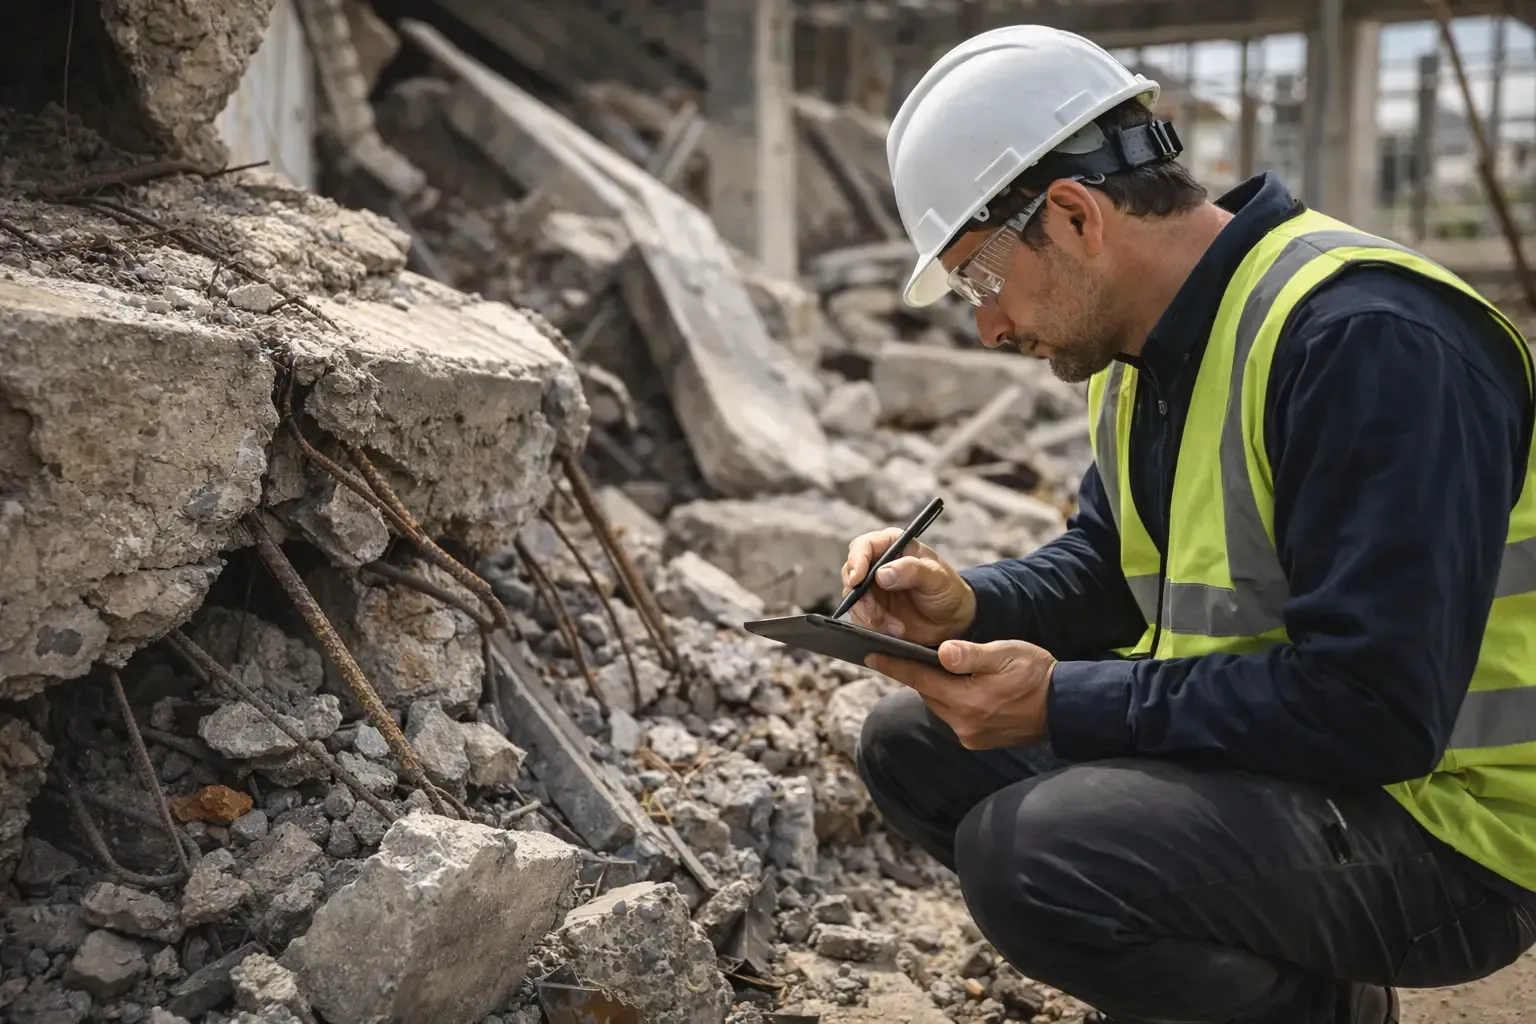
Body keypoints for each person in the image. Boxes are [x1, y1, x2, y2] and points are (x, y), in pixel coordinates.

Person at [844, 24, 1536, 1024]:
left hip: (1455, 832)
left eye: (981, 280)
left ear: (1076, 215)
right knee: (918, 740)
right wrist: (970, 599)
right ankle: (1308, 991)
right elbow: (1114, 567)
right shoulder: (1146, 351)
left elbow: (1375, 707)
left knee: (1032, 855)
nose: (988, 328)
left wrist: (1059, 704)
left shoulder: (1368, 342)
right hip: (1305, 764)